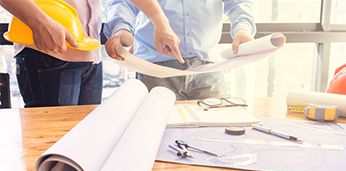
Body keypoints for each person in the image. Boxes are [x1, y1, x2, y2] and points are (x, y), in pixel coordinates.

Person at [0, 0, 182, 107]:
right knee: (52, 143)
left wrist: (161, 23)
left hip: (90, 54)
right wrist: (38, 21)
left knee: (86, 139)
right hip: (46, 54)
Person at [104, 0, 256, 100]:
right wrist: (121, 29)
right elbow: (124, 2)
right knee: (155, 136)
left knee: (214, 132)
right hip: (155, 71)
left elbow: (238, 2)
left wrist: (243, 28)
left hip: (209, 70)